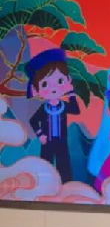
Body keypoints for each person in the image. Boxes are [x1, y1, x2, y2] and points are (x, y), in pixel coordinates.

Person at [25, 48, 81, 184]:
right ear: (36, 89)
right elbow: (33, 121)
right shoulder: (43, 109)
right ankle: (45, 184)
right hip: (47, 142)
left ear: (68, 80)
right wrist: (40, 134)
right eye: (45, 84)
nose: (54, 88)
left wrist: (71, 93)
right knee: (46, 164)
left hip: (61, 141)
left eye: (60, 81)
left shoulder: (63, 106)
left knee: (64, 164)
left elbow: (76, 110)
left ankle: (66, 185)